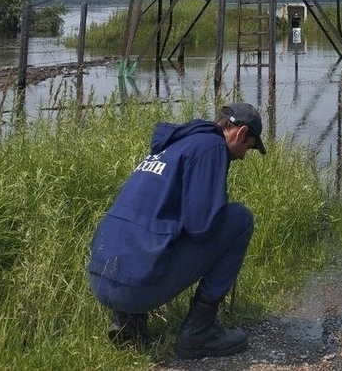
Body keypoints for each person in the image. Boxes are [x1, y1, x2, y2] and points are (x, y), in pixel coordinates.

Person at [87, 101, 265, 359]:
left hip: (101, 278)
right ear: (240, 132)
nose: (242, 155)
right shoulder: (212, 147)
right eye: (247, 147)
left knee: (149, 229)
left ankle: (128, 322)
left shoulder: (175, 144)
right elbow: (202, 226)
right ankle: (199, 332)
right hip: (135, 286)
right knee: (239, 219)